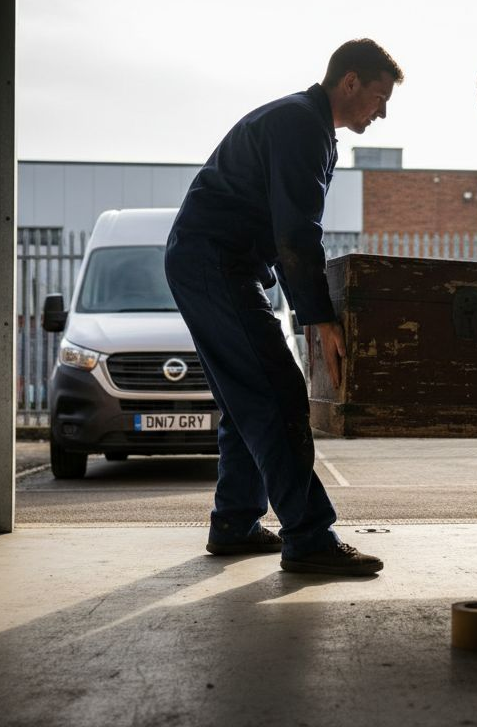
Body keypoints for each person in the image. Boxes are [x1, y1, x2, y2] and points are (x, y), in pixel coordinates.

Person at [165, 39, 403, 576]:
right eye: (379, 97)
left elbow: (286, 230)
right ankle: (309, 537)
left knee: (248, 399)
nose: (381, 111)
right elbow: (297, 233)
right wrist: (318, 319)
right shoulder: (301, 126)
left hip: (208, 263)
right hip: (214, 265)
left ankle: (235, 523)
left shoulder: (305, 123)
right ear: (349, 82)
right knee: (279, 395)